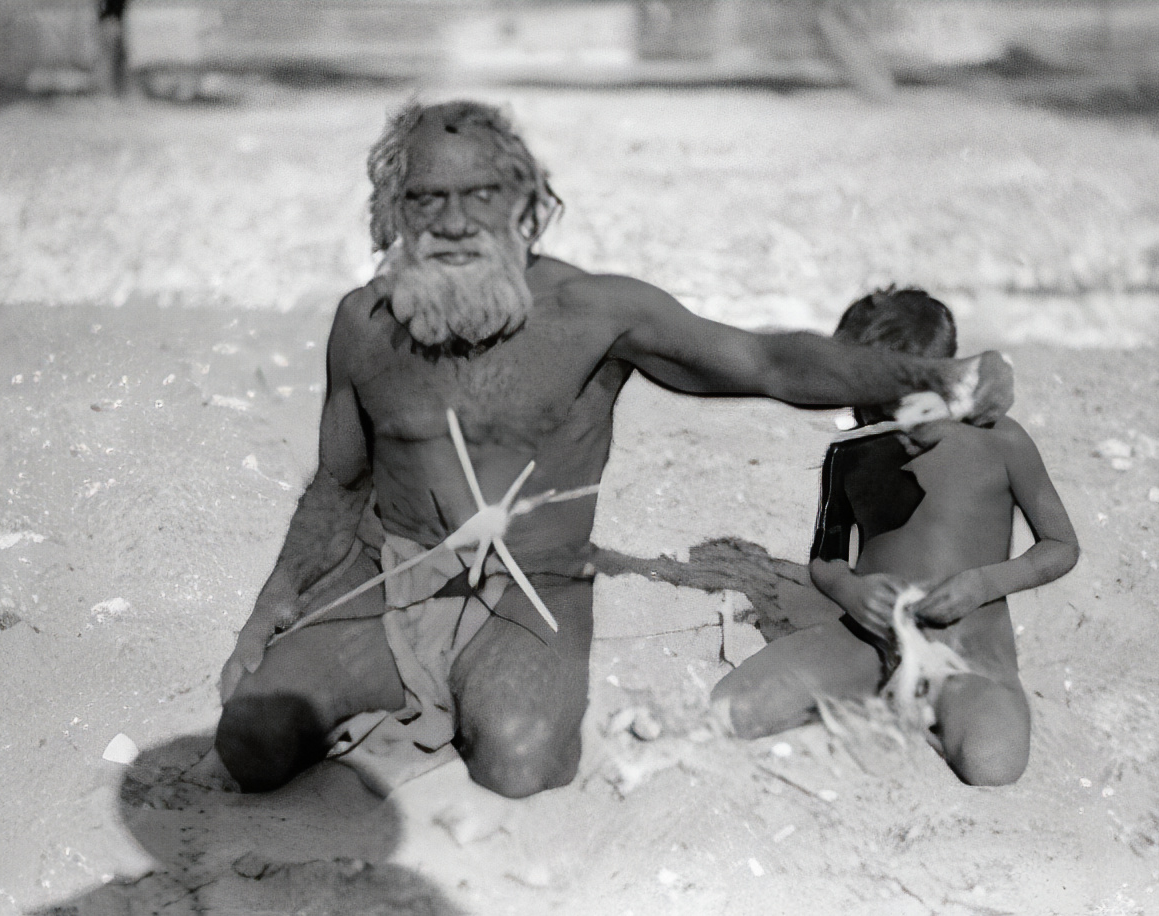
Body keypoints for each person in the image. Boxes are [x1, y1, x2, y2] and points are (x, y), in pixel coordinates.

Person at [214, 102, 1016, 798]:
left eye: (478, 195)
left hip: (526, 596)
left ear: (523, 201)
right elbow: (338, 480)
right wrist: (271, 603)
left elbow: (769, 362)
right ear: (394, 207)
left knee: (521, 764)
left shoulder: (594, 314)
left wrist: (934, 375)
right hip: (387, 581)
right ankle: (394, 693)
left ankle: (467, 699)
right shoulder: (364, 323)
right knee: (249, 744)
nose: (454, 222)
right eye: (428, 198)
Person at [711, 288, 1079, 786]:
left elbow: (1060, 546)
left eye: (901, 406)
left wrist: (984, 585)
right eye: (867, 406)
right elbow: (826, 559)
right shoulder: (850, 453)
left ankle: (908, 713)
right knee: (730, 710)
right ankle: (877, 706)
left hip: (967, 655)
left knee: (992, 764)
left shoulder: (1001, 439)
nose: (882, 422)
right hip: (867, 642)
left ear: (943, 380)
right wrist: (850, 591)